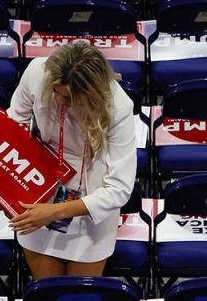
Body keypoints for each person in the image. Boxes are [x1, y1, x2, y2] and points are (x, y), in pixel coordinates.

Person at [7, 42, 138, 278]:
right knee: (47, 296)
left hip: (91, 200)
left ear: (90, 94)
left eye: (67, 97)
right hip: (40, 187)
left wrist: (55, 212)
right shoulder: (37, 72)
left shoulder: (118, 107)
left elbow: (119, 189)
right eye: (55, 91)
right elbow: (12, 125)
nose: (58, 100)